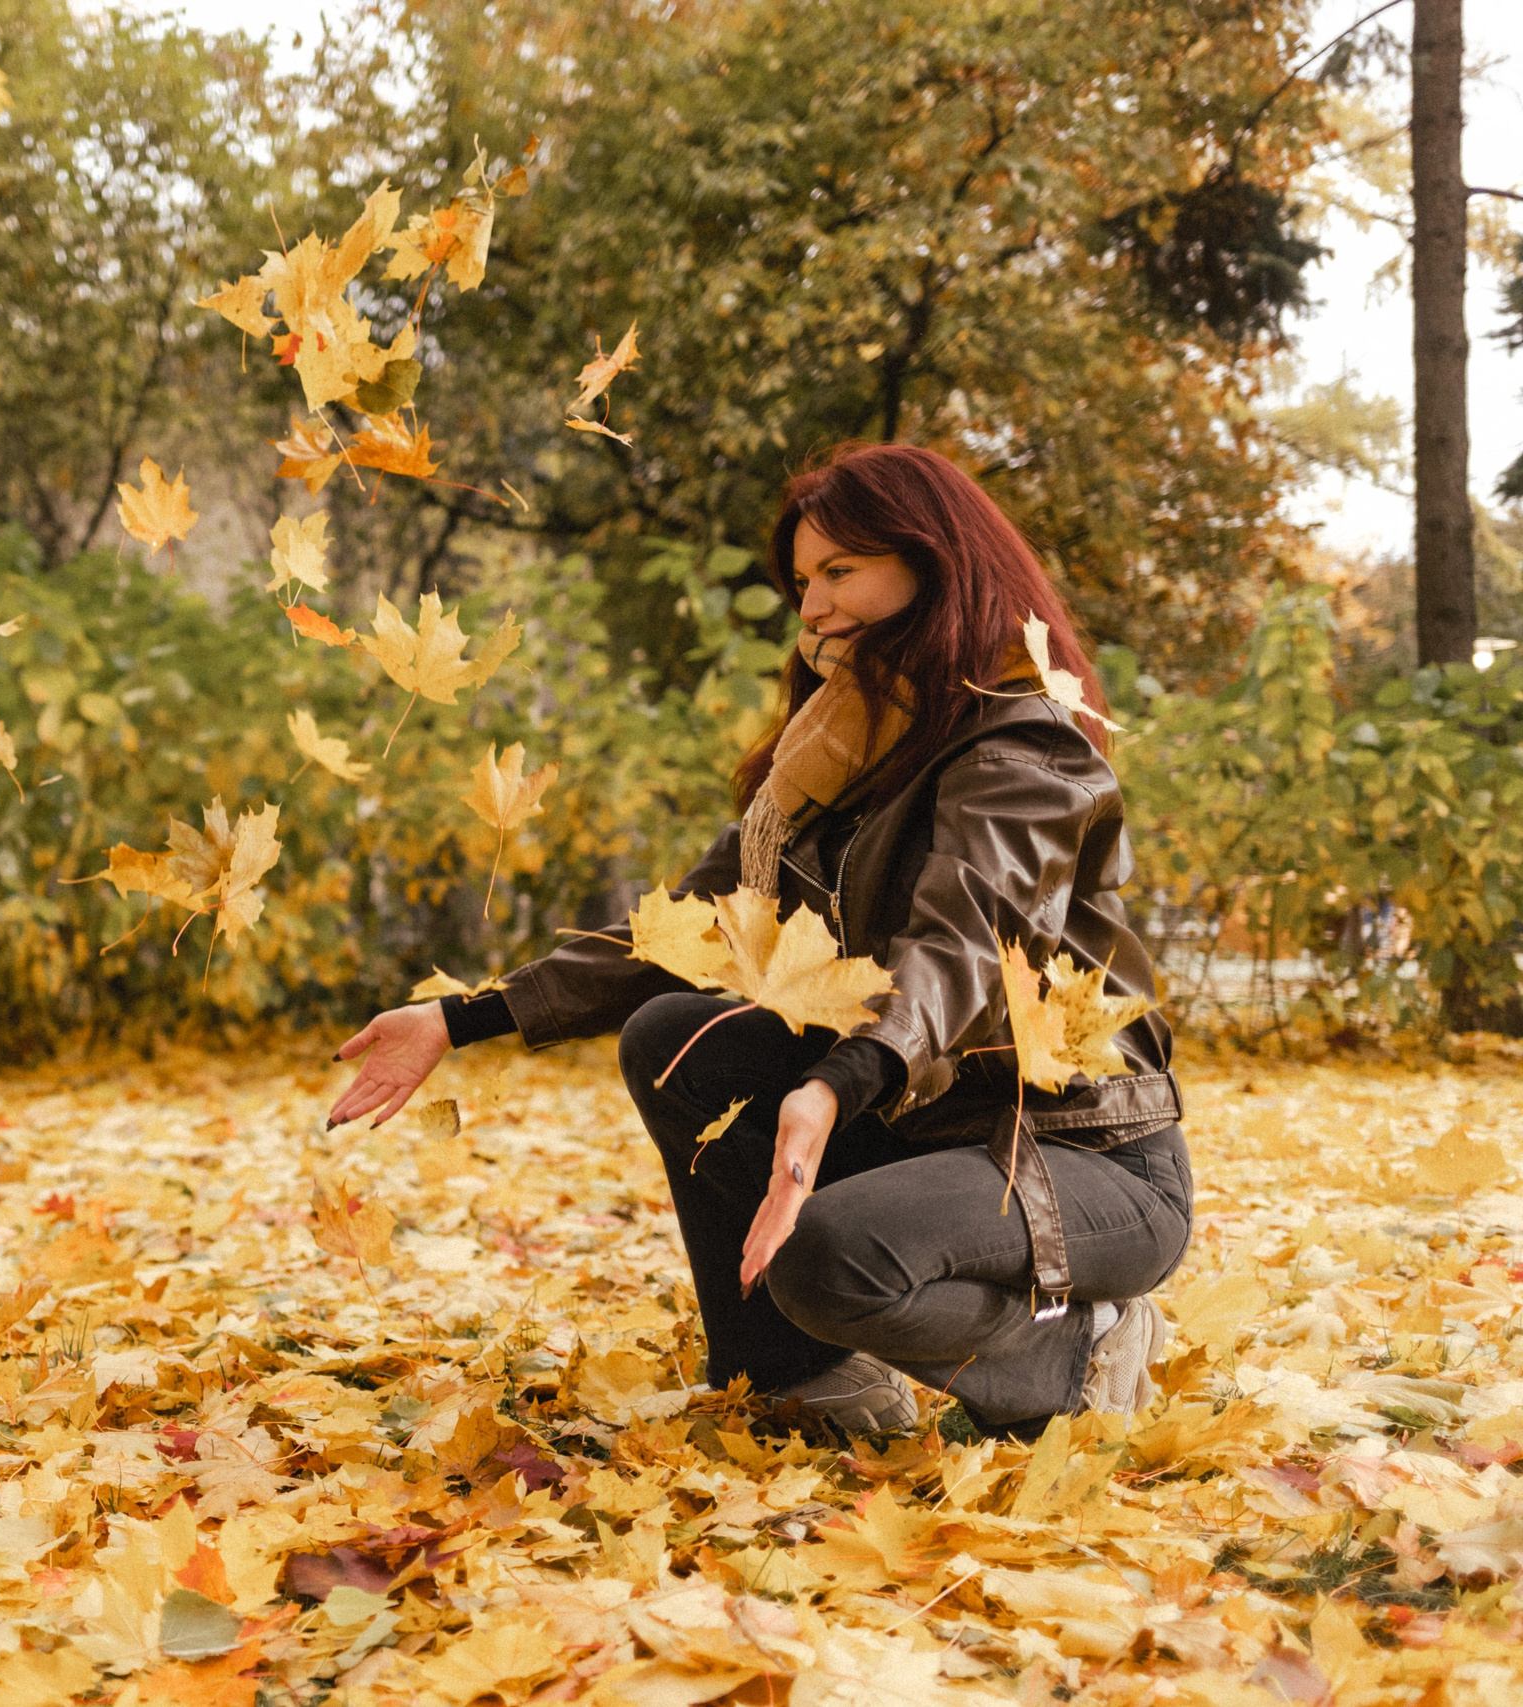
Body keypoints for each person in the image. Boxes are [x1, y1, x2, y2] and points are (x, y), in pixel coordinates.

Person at [327, 443, 1189, 1439]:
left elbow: (960, 946)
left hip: (1080, 1161)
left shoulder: (1022, 746)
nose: (812, 609)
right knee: (677, 1037)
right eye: (800, 583)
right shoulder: (831, 770)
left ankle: (1081, 1351)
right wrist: (457, 1017)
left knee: (829, 1256)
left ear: (931, 563)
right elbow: (684, 932)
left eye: (839, 572)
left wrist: (837, 1080)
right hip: (929, 1131)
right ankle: (799, 1381)